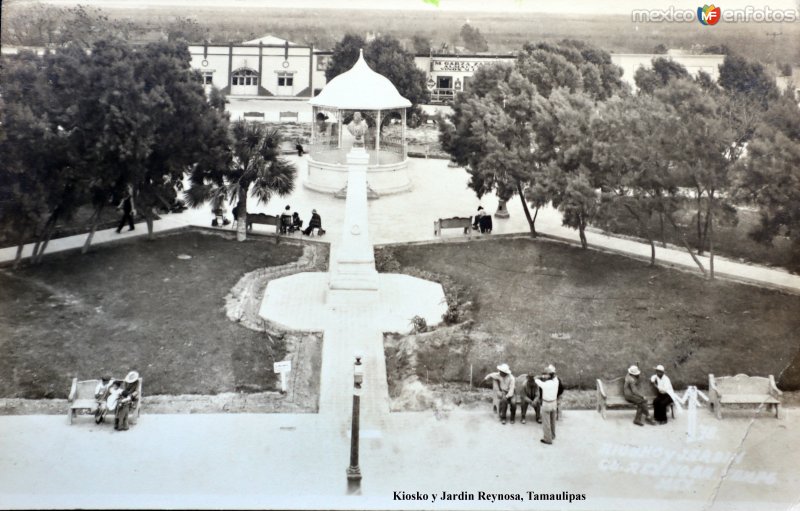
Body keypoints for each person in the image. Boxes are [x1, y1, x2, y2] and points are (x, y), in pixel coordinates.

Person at [535, 365, 560, 444]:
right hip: (554, 403)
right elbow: (554, 376)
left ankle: (547, 439)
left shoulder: (544, 384)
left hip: (546, 403)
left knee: (546, 423)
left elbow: (536, 379)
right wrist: (549, 374)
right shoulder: (556, 381)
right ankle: (552, 435)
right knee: (553, 421)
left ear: (548, 375)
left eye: (545, 374)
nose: (544, 376)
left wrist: (540, 376)